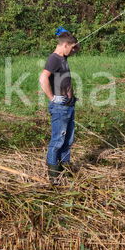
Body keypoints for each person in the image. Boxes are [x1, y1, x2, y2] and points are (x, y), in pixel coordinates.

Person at [39, 30, 79, 184]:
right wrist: (53, 98)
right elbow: (43, 78)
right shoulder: (54, 59)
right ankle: (53, 178)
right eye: (71, 47)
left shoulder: (63, 56)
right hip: (60, 107)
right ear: (64, 45)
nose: (73, 51)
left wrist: (68, 35)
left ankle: (65, 173)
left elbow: (76, 47)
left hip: (69, 105)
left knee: (68, 141)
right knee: (57, 141)